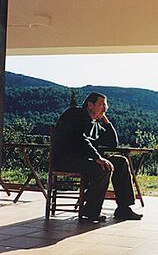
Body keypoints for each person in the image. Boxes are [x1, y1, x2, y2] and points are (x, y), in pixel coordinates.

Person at [54, 92, 142, 222]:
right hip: (67, 159)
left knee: (120, 162)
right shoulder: (75, 114)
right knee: (102, 168)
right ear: (90, 105)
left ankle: (123, 208)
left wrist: (105, 120)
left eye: (106, 106)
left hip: (86, 160)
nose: (105, 108)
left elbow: (113, 143)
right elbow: (80, 138)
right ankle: (90, 211)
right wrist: (97, 157)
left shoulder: (95, 124)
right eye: (102, 105)